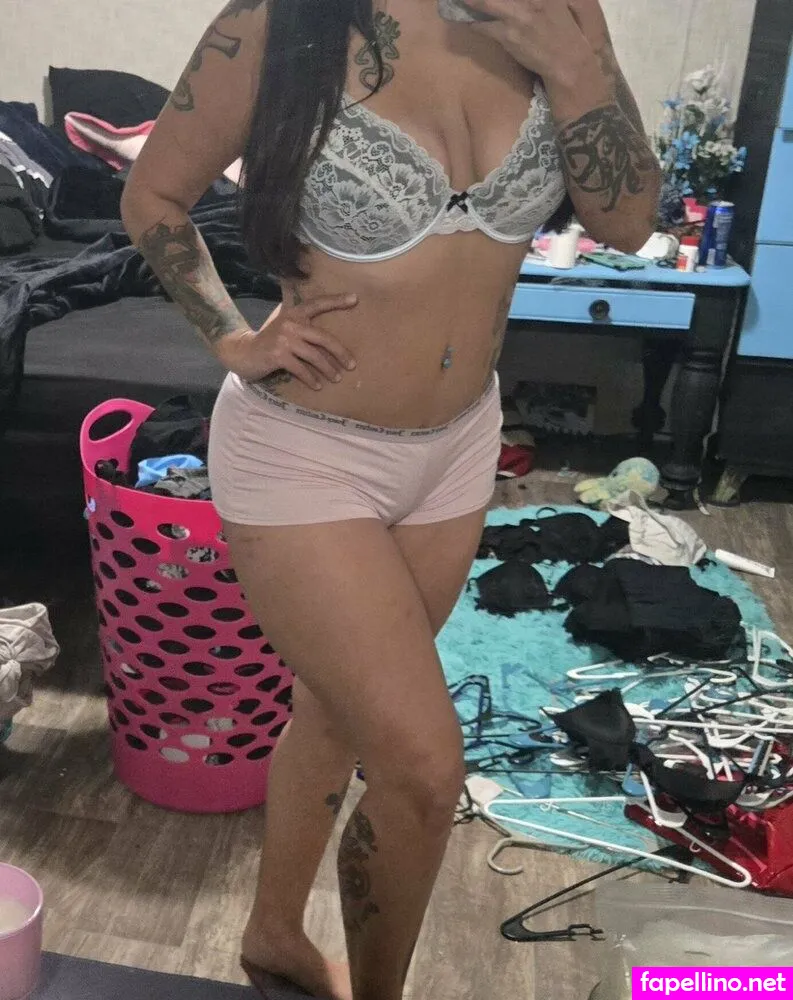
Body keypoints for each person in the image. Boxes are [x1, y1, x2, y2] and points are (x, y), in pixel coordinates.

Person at [121, 1, 660, 997]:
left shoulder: (559, 12)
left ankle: (273, 933)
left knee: (337, 708)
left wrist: (579, 74)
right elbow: (153, 194)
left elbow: (626, 223)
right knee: (420, 770)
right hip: (304, 451)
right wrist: (231, 337)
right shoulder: (280, 20)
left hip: (457, 445)